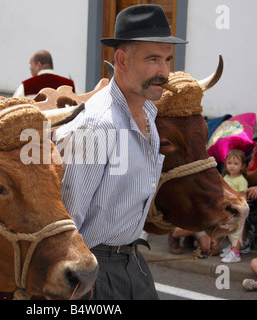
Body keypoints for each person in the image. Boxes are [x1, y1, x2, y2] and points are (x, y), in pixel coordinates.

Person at [52, 4, 187, 300]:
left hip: (133, 260)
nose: (164, 72)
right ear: (122, 60)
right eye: (153, 60)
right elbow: (68, 218)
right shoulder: (97, 125)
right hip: (92, 270)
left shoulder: (149, 113)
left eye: (167, 59)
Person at [220, 149, 249, 263]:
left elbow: (243, 197)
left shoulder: (241, 180)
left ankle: (236, 254)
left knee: (237, 232)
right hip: (228, 209)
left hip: (237, 210)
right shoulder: (226, 178)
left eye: (236, 164)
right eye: (229, 163)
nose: (232, 166)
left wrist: (239, 210)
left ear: (242, 166)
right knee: (230, 231)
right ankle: (232, 248)